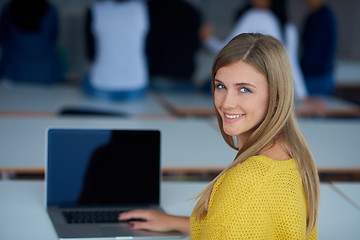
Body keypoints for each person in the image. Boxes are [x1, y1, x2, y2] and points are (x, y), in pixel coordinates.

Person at [118, 33, 320, 239]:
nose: (227, 102)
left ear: (277, 96)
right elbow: (250, 225)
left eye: (244, 89)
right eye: (221, 86)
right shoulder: (294, 155)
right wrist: (175, 222)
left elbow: (238, 215)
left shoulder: (244, 183)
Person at [200, 0, 308, 101]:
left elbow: (226, 51)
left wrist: (208, 39)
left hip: (248, 84)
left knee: (211, 85)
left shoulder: (254, 15)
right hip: (275, 87)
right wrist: (302, 94)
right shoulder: (289, 27)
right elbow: (290, 62)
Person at [83, 0, 149, 101]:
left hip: (101, 86)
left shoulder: (95, 9)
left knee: (83, 78)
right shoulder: (142, 8)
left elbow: (90, 54)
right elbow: (149, 49)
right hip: (136, 86)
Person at [0, 0, 63, 85]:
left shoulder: (8, 9)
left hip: (13, 71)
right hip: (45, 73)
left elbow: (3, 38)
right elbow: (53, 38)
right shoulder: (50, 11)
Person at [146, 0, 202, 92]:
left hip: (159, 78)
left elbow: (146, 45)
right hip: (186, 80)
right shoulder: (192, 11)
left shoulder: (150, 8)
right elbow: (196, 45)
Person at [300, 0, 337, 96]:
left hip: (317, 77)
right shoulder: (313, 15)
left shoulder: (323, 16)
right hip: (313, 76)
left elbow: (315, 52)